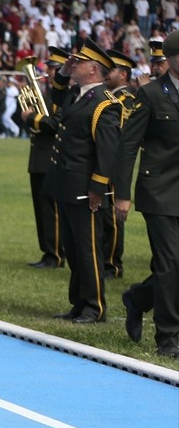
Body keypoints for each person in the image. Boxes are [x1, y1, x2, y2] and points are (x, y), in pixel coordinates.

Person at [44, 38, 120, 324]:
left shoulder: (104, 103)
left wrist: (97, 188)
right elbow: (57, 97)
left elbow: (107, 152)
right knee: (73, 249)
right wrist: (62, 74)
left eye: (78, 62)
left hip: (85, 188)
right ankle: (78, 303)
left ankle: (94, 306)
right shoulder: (78, 95)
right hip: (65, 183)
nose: (72, 64)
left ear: (93, 69)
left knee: (88, 249)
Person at [115, 30, 179, 359]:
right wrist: (122, 194)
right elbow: (127, 146)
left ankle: (138, 299)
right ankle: (168, 338)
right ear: (171, 60)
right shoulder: (151, 94)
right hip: (159, 191)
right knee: (170, 264)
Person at [20, 46, 68, 269]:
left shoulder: (65, 95)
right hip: (38, 156)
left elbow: (55, 124)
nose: (49, 73)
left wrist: (32, 117)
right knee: (41, 208)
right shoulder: (47, 94)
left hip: (51, 156)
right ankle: (47, 251)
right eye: (49, 69)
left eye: (54, 69)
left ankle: (56, 254)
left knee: (51, 210)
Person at [101, 48, 136, 279]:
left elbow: (124, 135)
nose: (107, 73)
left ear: (123, 74)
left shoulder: (128, 100)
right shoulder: (110, 97)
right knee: (104, 216)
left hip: (115, 163)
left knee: (113, 219)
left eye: (111, 69)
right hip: (104, 162)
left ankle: (113, 263)